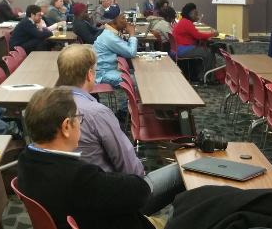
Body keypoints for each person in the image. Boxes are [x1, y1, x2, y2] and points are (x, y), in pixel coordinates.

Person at [57, 45, 183, 215]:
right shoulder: (96, 113)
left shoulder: (47, 106)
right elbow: (130, 168)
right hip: (111, 199)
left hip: (70, 198)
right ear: (89, 74)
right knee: (183, 170)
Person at [18, 87, 164, 229]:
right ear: (66, 127)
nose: (80, 124)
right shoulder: (79, 177)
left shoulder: (25, 159)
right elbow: (141, 191)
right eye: (78, 118)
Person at [93, 5, 137, 118]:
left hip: (110, 69)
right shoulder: (110, 37)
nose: (126, 20)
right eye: (123, 18)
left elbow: (126, 49)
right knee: (135, 81)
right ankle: (123, 112)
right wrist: (132, 35)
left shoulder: (111, 32)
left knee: (138, 75)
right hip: (103, 73)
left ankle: (126, 109)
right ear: (115, 22)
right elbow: (131, 52)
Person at [172, 3, 218, 80]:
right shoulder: (187, 23)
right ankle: (208, 78)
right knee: (208, 54)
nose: (197, 16)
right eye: (195, 14)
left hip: (180, 48)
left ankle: (203, 75)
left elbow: (195, 35)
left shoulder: (183, 21)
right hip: (183, 50)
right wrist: (212, 34)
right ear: (190, 14)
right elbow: (198, 36)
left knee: (203, 51)